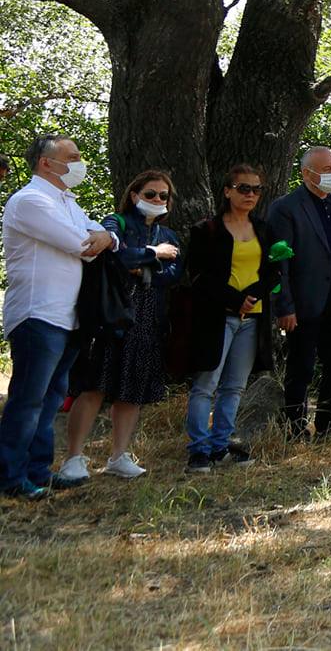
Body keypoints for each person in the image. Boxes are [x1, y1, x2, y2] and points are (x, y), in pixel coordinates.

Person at [0, 138, 116, 498]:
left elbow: (109, 238)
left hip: (68, 317)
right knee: (28, 399)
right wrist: (102, 238)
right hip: (38, 314)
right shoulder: (30, 201)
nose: (80, 163)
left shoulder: (67, 202)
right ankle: (10, 477)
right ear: (46, 163)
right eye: (73, 157)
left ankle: (37, 471)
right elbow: (83, 245)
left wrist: (107, 236)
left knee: (51, 399)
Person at [59, 169, 182, 483]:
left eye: (163, 195)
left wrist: (143, 268)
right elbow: (115, 257)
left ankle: (119, 455)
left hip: (147, 320)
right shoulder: (115, 223)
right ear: (134, 195)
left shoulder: (169, 236)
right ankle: (73, 457)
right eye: (150, 194)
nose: (157, 199)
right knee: (94, 386)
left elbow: (173, 275)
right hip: (109, 316)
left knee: (132, 391)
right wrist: (153, 255)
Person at [179, 164, 282, 471]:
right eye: (243, 188)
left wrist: (253, 295)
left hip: (253, 319)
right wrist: (235, 299)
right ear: (227, 191)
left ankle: (221, 445)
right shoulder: (206, 230)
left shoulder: (264, 229)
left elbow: (273, 271)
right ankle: (199, 449)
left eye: (256, 189)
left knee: (235, 386)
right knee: (205, 385)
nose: (251, 195)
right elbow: (198, 275)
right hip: (217, 316)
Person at [268, 146, 331, 440]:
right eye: (327, 170)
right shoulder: (286, 207)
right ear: (307, 174)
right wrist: (285, 306)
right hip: (304, 302)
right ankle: (295, 427)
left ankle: (328, 425)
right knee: (302, 366)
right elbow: (278, 261)